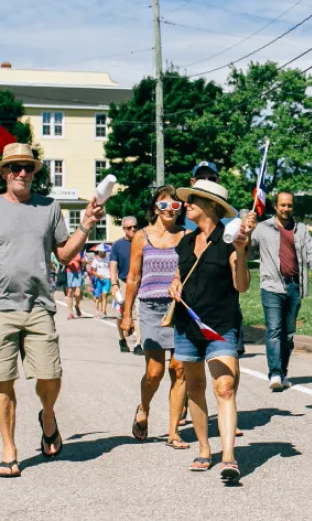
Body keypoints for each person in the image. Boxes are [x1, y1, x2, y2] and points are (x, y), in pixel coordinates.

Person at [0, 143, 104, 478]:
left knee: (50, 375)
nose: (22, 173)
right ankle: (9, 448)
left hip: (39, 305)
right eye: (15, 168)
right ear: (5, 173)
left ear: (34, 172)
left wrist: (86, 225)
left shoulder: (49, 207)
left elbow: (63, 254)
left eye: (28, 168)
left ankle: (48, 415)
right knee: (3, 380)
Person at [170, 180, 255, 483]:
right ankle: (205, 449)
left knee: (224, 388)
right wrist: (175, 284)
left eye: (192, 200)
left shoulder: (230, 240)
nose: (186, 204)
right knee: (194, 388)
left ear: (210, 205)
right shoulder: (184, 241)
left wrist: (242, 252)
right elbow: (180, 275)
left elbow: (242, 286)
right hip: (187, 325)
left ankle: (229, 456)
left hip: (221, 326)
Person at [120, 186, 190, 449]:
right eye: (164, 206)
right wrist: (127, 315)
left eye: (174, 206)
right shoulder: (142, 236)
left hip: (178, 309)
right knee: (155, 371)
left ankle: (173, 432)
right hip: (150, 308)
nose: (169, 211)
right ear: (154, 209)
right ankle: (144, 407)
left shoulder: (187, 236)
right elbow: (134, 277)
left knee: (179, 369)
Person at [250, 190, 312, 391]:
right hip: (271, 286)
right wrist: (246, 232)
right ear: (276, 206)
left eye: (289, 205)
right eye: (282, 205)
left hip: (294, 286)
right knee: (274, 329)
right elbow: (247, 249)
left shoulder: (301, 229)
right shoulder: (263, 228)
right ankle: (274, 373)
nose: (286, 209)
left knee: (288, 334)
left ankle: (282, 372)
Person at [110, 217, 141, 353]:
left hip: (140, 282)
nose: (133, 229)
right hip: (123, 283)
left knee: (138, 314)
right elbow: (113, 265)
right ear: (124, 229)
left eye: (135, 226)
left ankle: (139, 344)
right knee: (120, 313)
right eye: (129, 227)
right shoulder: (117, 245)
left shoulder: (143, 243)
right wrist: (114, 284)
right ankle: (122, 338)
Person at [65, 248, 86, 319]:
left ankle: (77, 306)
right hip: (69, 272)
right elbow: (62, 261)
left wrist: (83, 262)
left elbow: (84, 263)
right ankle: (70, 313)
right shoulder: (67, 251)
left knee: (78, 294)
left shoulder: (80, 252)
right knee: (69, 292)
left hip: (78, 273)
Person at [91, 248, 112, 319]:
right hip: (99, 279)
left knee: (104, 295)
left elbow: (111, 268)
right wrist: (98, 275)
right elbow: (93, 271)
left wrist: (111, 276)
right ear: (99, 252)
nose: (103, 253)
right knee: (97, 296)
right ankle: (97, 312)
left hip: (107, 279)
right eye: (101, 252)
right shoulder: (96, 260)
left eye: (104, 252)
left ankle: (103, 312)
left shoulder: (108, 259)